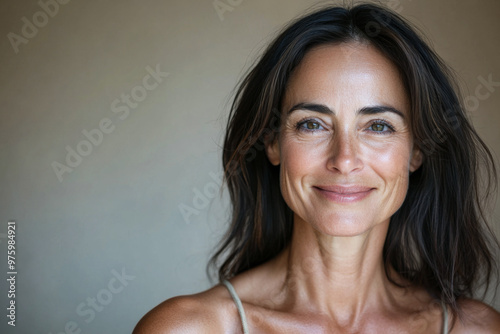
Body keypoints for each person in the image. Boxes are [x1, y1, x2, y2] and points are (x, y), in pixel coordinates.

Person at [134, 3, 500, 333]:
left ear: (416, 150)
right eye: (312, 124)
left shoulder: (474, 330)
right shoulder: (191, 328)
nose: (344, 160)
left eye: (378, 126)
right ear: (272, 141)